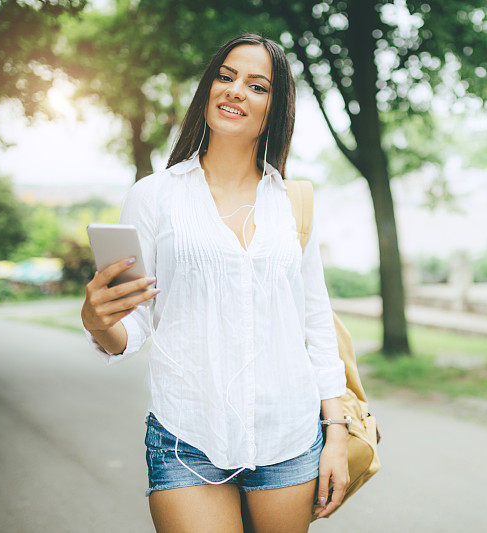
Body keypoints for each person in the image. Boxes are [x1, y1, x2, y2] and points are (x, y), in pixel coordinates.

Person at [80, 33, 349, 532]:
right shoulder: (154, 197)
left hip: (288, 436)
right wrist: (98, 322)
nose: (235, 91)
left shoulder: (292, 202)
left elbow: (315, 323)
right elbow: (132, 325)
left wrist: (335, 434)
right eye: (225, 77)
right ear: (207, 90)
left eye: (256, 85)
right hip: (187, 435)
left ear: (275, 106)